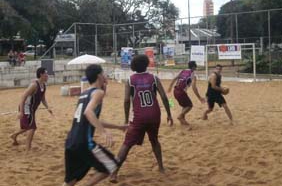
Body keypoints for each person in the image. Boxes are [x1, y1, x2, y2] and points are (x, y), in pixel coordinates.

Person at [110, 55, 173, 183]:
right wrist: (169, 114)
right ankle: (161, 167)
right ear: (146, 64)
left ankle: (114, 173)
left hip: (139, 116)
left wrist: (126, 119)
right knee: (154, 140)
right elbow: (164, 98)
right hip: (155, 114)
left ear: (133, 66)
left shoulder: (130, 80)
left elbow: (127, 100)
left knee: (127, 144)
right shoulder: (154, 78)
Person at [63, 64, 127, 186]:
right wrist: (104, 132)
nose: (105, 76)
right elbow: (88, 112)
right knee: (112, 165)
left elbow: (92, 118)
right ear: (99, 76)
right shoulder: (98, 93)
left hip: (71, 141)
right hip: (84, 143)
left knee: (70, 181)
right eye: (103, 74)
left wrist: (118, 127)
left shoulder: (84, 93)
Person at [10, 67, 53, 152]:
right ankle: (27, 150)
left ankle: (14, 135)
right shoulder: (34, 85)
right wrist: (21, 112)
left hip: (32, 109)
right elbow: (23, 97)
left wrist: (48, 107)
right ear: (41, 74)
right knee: (32, 128)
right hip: (26, 108)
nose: (47, 75)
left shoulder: (43, 85)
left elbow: (43, 99)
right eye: (46, 74)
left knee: (27, 127)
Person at [167, 61, 206, 125]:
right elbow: (194, 88)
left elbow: (174, 78)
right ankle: (180, 116)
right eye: (195, 66)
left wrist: (170, 87)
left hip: (175, 91)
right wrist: (199, 97)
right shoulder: (193, 74)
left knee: (184, 105)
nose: (196, 67)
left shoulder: (183, 71)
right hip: (181, 92)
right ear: (193, 67)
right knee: (189, 106)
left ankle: (183, 120)